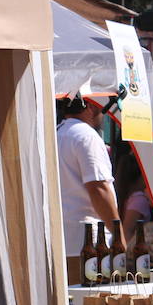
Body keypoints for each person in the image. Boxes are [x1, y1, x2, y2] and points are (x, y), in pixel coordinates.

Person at [55, 92, 119, 282]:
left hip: (65, 242)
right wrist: (118, 237)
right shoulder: (86, 136)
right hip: (90, 246)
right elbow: (99, 189)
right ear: (90, 106)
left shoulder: (57, 134)